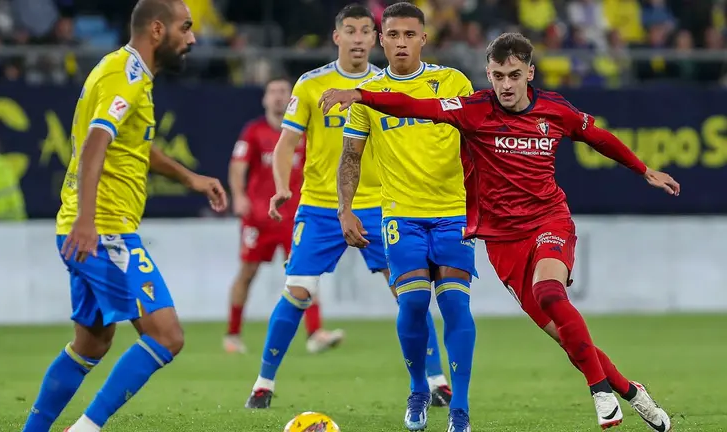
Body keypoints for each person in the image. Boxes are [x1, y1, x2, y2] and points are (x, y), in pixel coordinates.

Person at [320, 32, 676, 432]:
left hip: (548, 221)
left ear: (530, 73)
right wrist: (362, 96)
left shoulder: (555, 110)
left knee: (549, 292)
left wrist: (643, 170)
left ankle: (600, 392)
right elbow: (414, 106)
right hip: (503, 241)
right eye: (497, 76)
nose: (505, 85)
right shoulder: (473, 111)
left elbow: (599, 137)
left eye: (513, 75)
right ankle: (631, 391)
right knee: (567, 338)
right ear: (488, 75)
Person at [21, 1, 229, 431]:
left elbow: (133, 146)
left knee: (91, 344)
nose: (192, 38)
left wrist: (189, 178)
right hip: (104, 232)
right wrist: (87, 220)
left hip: (88, 229)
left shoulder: (121, 70)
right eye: (185, 28)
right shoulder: (127, 77)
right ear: (157, 30)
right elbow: (98, 141)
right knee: (167, 336)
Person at [245, 3, 453, 410]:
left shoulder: (387, 85)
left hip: (382, 205)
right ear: (336, 36)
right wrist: (282, 185)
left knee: (408, 293)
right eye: (350, 31)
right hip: (321, 207)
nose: (358, 38)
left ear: (375, 39)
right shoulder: (309, 84)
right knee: (298, 290)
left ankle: (437, 381)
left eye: (365, 31)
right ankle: (262, 384)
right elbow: (287, 140)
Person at [334, 3, 478, 431]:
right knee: (413, 302)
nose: (400, 42)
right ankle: (418, 389)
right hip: (401, 215)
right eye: (392, 35)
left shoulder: (452, 82)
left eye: (409, 35)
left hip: (454, 212)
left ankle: (460, 408)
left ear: (423, 39)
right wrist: (345, 209)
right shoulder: (369, 95)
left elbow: (479, 142)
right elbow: (350, 157)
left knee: (454, 303)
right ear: (382, 40)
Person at [226, 76, 343, 355]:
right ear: (265, 99)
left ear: (291, 98)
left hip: (297, 216)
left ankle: (315, 333)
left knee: (306, 272)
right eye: (273, 92)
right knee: (247, 272)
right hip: (259, 217)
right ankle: (233, 334)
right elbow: (237, 166)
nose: (278, 97)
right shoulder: (253, 132)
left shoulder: (302, 132)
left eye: (283, 92)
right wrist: (240, 196)